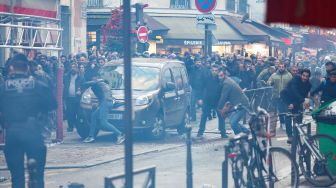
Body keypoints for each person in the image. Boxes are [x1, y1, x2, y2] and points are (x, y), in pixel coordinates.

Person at [0, 53, 57, 188]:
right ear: (28, 68)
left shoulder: (3, 88)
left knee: (17, 177)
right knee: (37, 176)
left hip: (12, 133)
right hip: (33, 132)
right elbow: (52, 104)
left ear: (12, 68)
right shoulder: (38, 85)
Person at [83, 78, 125, 144]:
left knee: (104, 123)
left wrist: (84, 83)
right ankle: (91, 136)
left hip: (105, 103)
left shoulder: (96, 83)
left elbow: (86, 84)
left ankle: (120, 134)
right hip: (108, 102)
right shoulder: (105, 84)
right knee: (94, 116)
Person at [280, 68, 311, 143]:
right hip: (287, 99)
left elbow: (303, 96)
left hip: (297, 101)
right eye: (303, 75)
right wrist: (290, 104)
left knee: (299, 118)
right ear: (301, 75)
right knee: (288, 117)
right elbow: (294, 91)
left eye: (307, 76)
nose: (305, 78)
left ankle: (296, 134)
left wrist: (295, 104)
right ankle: (290, 136)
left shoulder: (309, 85)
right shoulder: (296, 79)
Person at [217, 68, 250, 135]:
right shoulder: (227, 80)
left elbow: (224, 96)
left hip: (242, 104)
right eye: (219, 76)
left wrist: (219, 107)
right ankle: (246, 131)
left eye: (221, 75)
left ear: (225, 75)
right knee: (233, 121)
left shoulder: (227, 83)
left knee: (233, 123)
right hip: (239, 104)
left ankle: (240, 137)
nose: (220, 77)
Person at [197, 65, 226, 138]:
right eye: (213, 70)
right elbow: (200, 87)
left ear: (218, 71)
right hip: (207, 100)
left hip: (217, 100)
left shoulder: (220, 78)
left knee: (221, 116)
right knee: (204, 116)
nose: (214, 72)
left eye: (216, 70)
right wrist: (200, 98)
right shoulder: (207, 78)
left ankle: (223, 132)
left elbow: (223, 89)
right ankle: (200, 132)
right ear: (211, 70)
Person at [267, 62, 292, 130]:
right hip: (277, 95)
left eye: (282, 67)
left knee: (287, 110)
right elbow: (269, 81)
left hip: (286, 96)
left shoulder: (289, 75)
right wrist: (270, 83)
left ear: (285, 67)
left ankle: (287, 123)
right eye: (280, 66)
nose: (281, 68)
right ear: (278, 67)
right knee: (280, 110)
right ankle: (282, 123)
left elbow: (292, 84)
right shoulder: (274, 75)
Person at [63, 63, 85, 132]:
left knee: (77, 113)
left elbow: (84, 87)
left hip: (77, 98)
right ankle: (70, 127)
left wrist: (80, 91)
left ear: (77, 69)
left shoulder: (81, 77)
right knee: (69, 112)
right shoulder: (66, 76)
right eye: (72, 67)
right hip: (68, 98)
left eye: (74, 67)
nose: (73, 68)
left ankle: (78, 126)